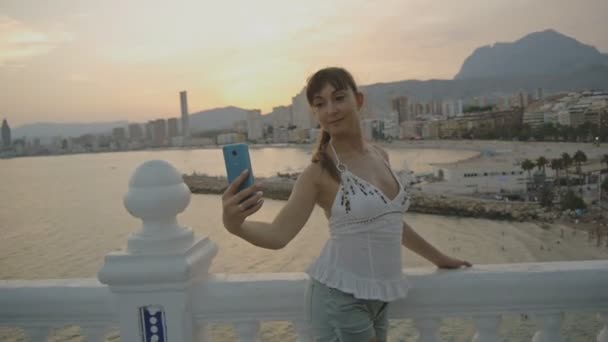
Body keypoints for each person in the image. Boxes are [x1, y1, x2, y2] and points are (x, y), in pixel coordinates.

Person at [221, 67, 472, 342]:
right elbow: (279, 234)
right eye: (320, 103)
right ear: (314, 113)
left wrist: (440, 259)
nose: (331, 109)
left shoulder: (380, 154)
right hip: (339, 299)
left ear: (359, 101)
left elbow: (390, 224)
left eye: (339, 98)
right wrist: (235, 225)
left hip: (379, 299)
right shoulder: (318, 172)